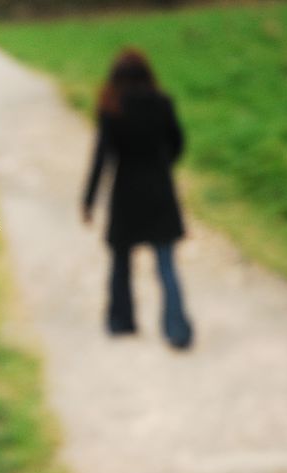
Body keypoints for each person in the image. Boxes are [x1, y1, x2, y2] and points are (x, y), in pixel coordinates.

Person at [83, 48, 192, 349]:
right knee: (166, 264)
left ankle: (121, 322)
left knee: (120, 260)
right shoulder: (162, 102)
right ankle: (177, 330)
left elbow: (101, 158)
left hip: (126, 193)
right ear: (147, 73)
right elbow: (177, 143)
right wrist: (161, 165)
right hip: (159, 190)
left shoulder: (112, 106)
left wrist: (89, 200)